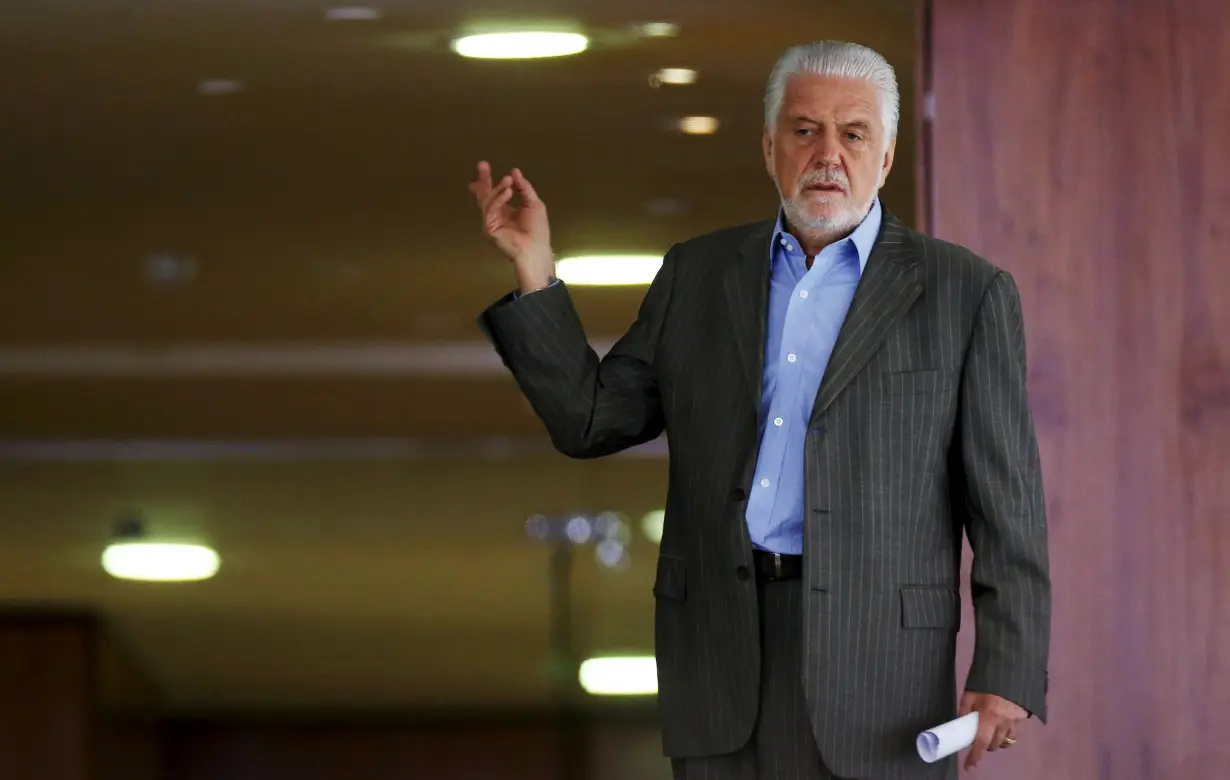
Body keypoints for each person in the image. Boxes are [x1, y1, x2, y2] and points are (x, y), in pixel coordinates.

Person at [469, 40, 1050, 780]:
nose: (828, 154)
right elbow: (592, 419)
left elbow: (1009, 509)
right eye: (805, 130)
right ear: (769, 147)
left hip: (881, 672)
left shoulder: (965, 293)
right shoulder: (698, 273)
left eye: (854, 133)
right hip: (720, 648)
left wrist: (1009, 666)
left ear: (889, 153)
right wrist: (536, 271)